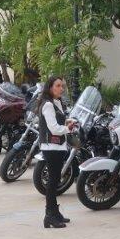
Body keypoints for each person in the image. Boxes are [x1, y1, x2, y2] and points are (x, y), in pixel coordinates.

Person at [39, 76, 74, 228]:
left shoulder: (56, 102)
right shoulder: (48, 105)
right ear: (50, 87)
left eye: (62, 86)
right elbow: (53, 128)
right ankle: (49, 215)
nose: (61, 89)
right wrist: (68, 128)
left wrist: (67, 122)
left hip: (58, 146)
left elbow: (57, 121)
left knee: (55, 180)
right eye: (58, 86)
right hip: (51, 147)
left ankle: (54, 212)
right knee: (53, 182)